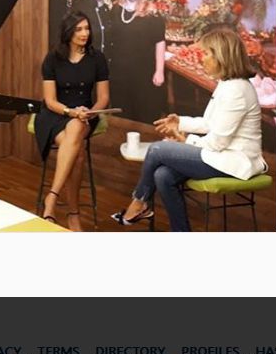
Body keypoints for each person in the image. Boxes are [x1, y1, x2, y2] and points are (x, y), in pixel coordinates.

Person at [112, 29, 266, 231]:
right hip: (221, 155)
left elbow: (217, 142)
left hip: (235, 161)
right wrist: (180, 123)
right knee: (163, 176)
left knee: (158, 149)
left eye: (206, 53)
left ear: (221, 56)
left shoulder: (236, 90)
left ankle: (139, 202)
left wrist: (185, 141)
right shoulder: (228, 84)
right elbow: (210, 123)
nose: (202, 59)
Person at [34, 12, 110, 230]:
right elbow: (50, 101)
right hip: (55, 114)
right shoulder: (52, 58)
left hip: (85, 114)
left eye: (87, 28)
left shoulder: (97, 58)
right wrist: (71, 112)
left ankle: (52, 197)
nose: (85, 33)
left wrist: (90, 113)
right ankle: (73, 214)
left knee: (76, 128)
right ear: (68, 33)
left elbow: (103, 98)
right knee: (77, 154)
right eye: (79, 29)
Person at [108, 0, 166, 123]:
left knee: (145, 117)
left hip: (144, 76)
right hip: (119, 76)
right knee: (122, 118)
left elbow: (160, 42)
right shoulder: (115, 9)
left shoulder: (152, 14)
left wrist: (159, 71)